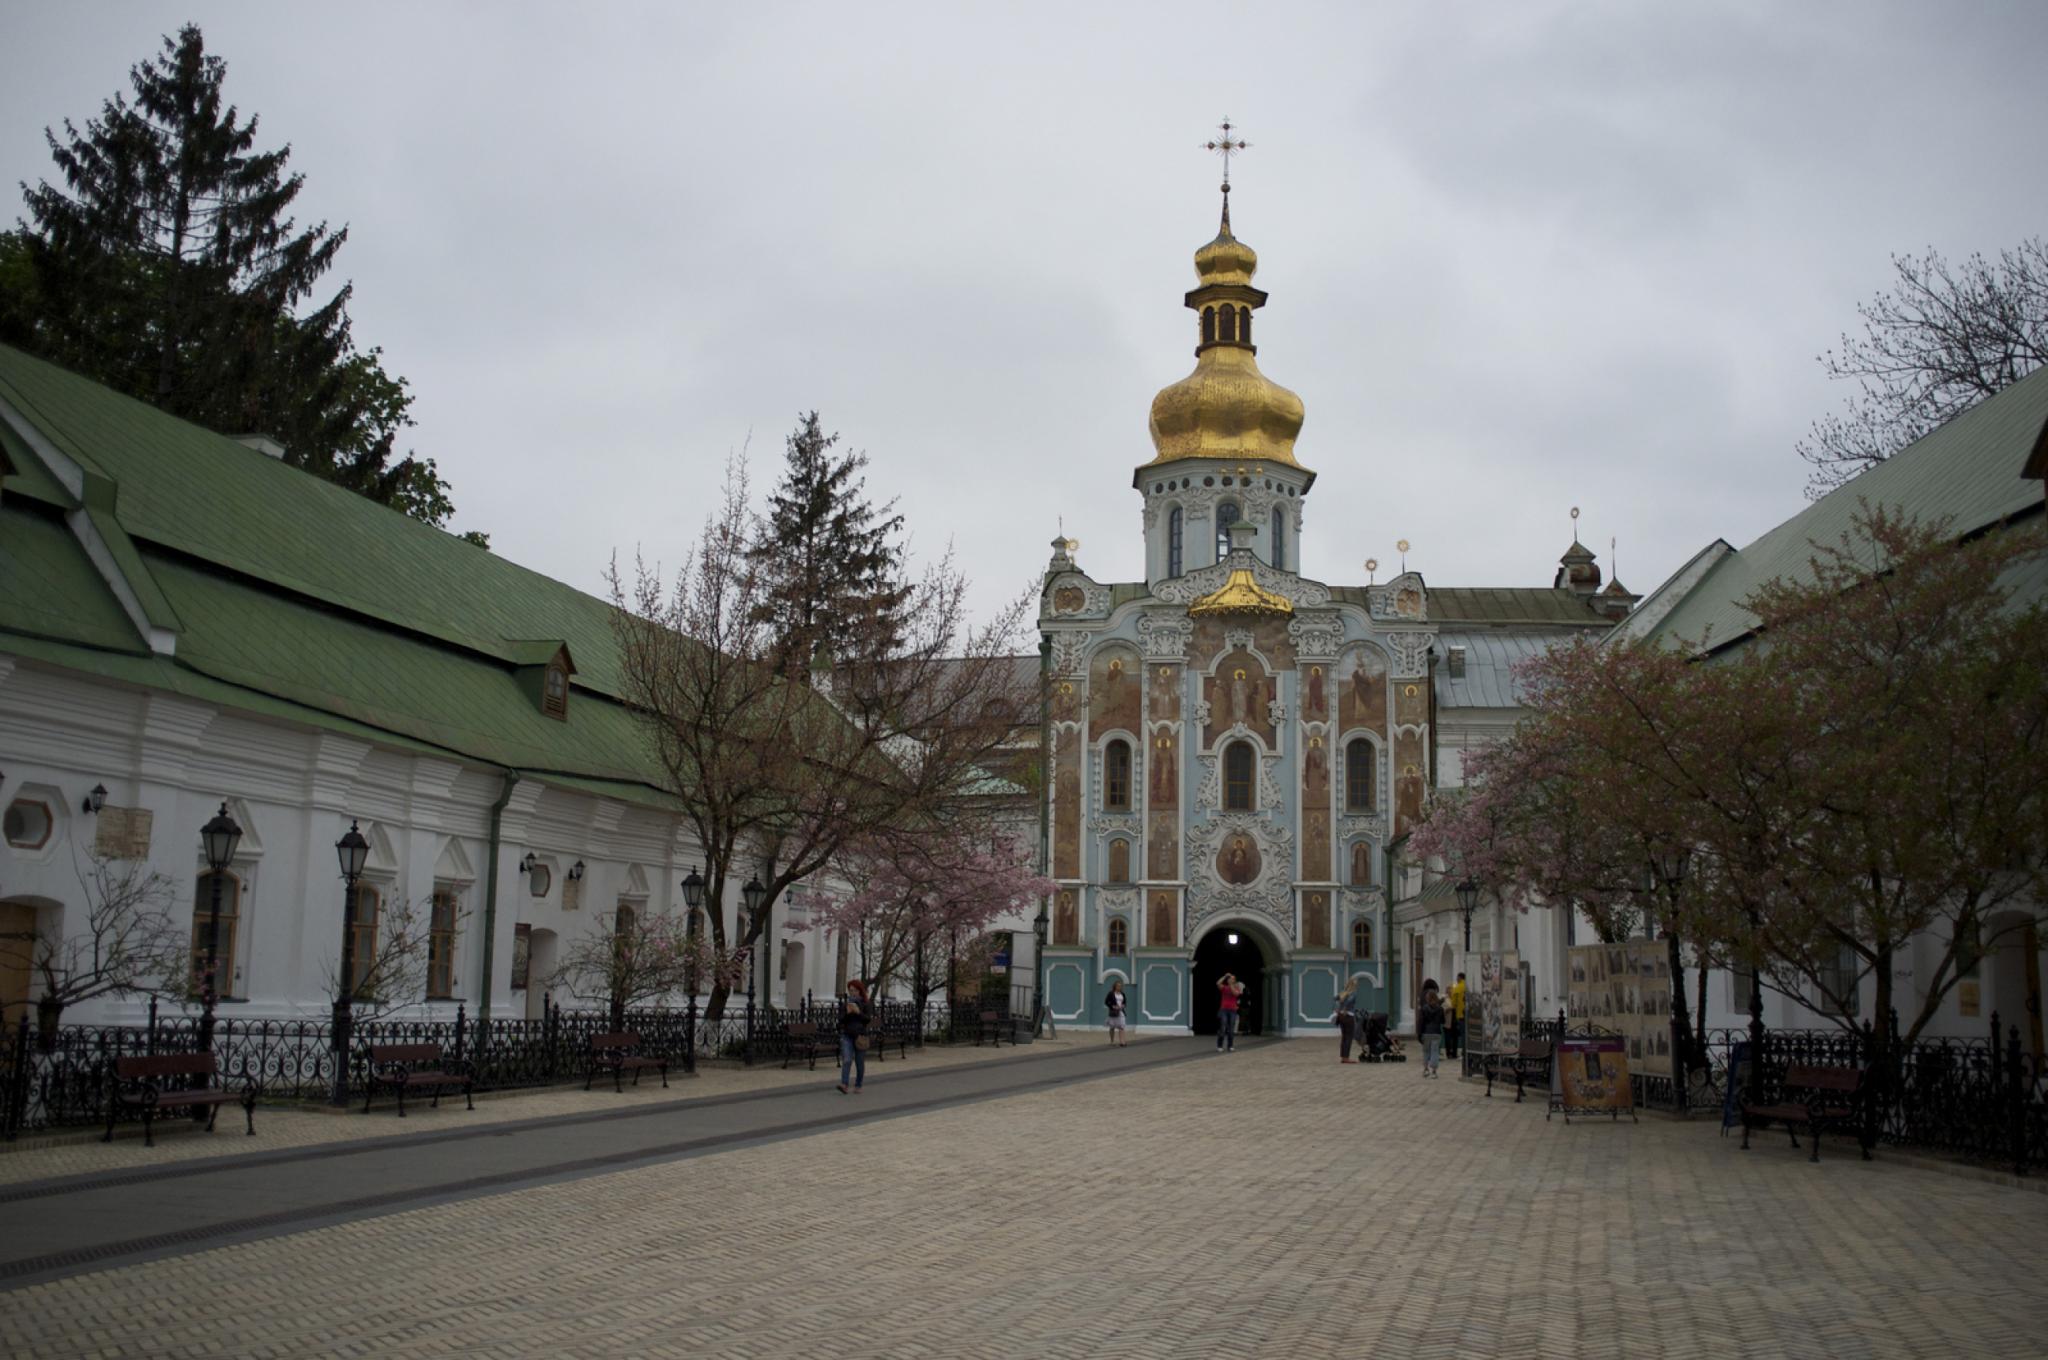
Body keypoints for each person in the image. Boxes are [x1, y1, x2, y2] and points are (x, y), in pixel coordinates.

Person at [837, 978, 872, 1094]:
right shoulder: (846, 1004)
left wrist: (858, 1012)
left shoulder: (865, 1004)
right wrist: (847, 1013)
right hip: (847, 1035)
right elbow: (840, 1020)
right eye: (851, 991)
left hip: (860, 1036)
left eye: (855, 991)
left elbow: (867, 1020)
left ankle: (858, 1084)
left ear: (860, 991)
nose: (853, 993)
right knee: (847, 1060)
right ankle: (844, 1084)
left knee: (859, 1062)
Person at [1417, 983, 1447, 1078]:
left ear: (1428, 998)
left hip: (1426, 1032)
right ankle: (1434, 1071)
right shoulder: (1440, 1009)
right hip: (1436, 1032)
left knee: (1426, 1051)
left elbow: (1421, 1022)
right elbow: (1443, 1021)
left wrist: (1419, 1033)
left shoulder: (1424, 1009)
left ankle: (1426, 1070)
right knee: (1435, 1051)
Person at [1334, 978, 1361, 1063]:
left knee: (1344, 1037)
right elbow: (1349, 1001)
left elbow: (1335, 999)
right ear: (1354, 985)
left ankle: (1343, 1057)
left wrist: (1338, 1009)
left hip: (1341, 1016)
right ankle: (1346, 1058)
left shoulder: (1343, 992)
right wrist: (1345, 1008)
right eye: (1356, 984)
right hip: (1348, 1016)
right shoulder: (1353, 993)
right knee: (1348, 1037)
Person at [1217, 973, 1244, 1052]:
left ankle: (1230, 1045)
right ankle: (1220, 1045)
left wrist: (1231, 984)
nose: (1230, 980)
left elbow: (1235, 993)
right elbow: (1218, 983)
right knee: (1222, 1027)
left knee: (1231, 1029)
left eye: (1232, 979)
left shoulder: (1237, 988)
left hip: (1232, 1010)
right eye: (1229, 979)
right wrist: (1224, 976)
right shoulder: (1225, 988)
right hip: (1224, 1010)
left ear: (1234, 980)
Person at [1447, 972, 1468, 1057]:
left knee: (1463, 1034)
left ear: (1459, 978)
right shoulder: (1468, 986)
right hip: (1470, 1014)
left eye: (1457, 978)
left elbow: (1453, 1003)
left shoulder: (1458, 987)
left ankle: (1464, 1052)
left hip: (1461, 1014)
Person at [1104, 978, 1129, 1047]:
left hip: (1121, 1011)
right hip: (1113, 1012)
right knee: (1112, 1027)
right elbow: (1106, 1002)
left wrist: (1123, 1005)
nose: (1119, 987)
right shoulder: (1111, 993)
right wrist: (1113, 1006)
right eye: (1118, 986)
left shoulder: (1122, 994)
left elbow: (1125, 1002)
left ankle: (1122, 1042)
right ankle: (1112, 1041)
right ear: (1115, 986)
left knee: (1122, 1026)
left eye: (1120, 986)